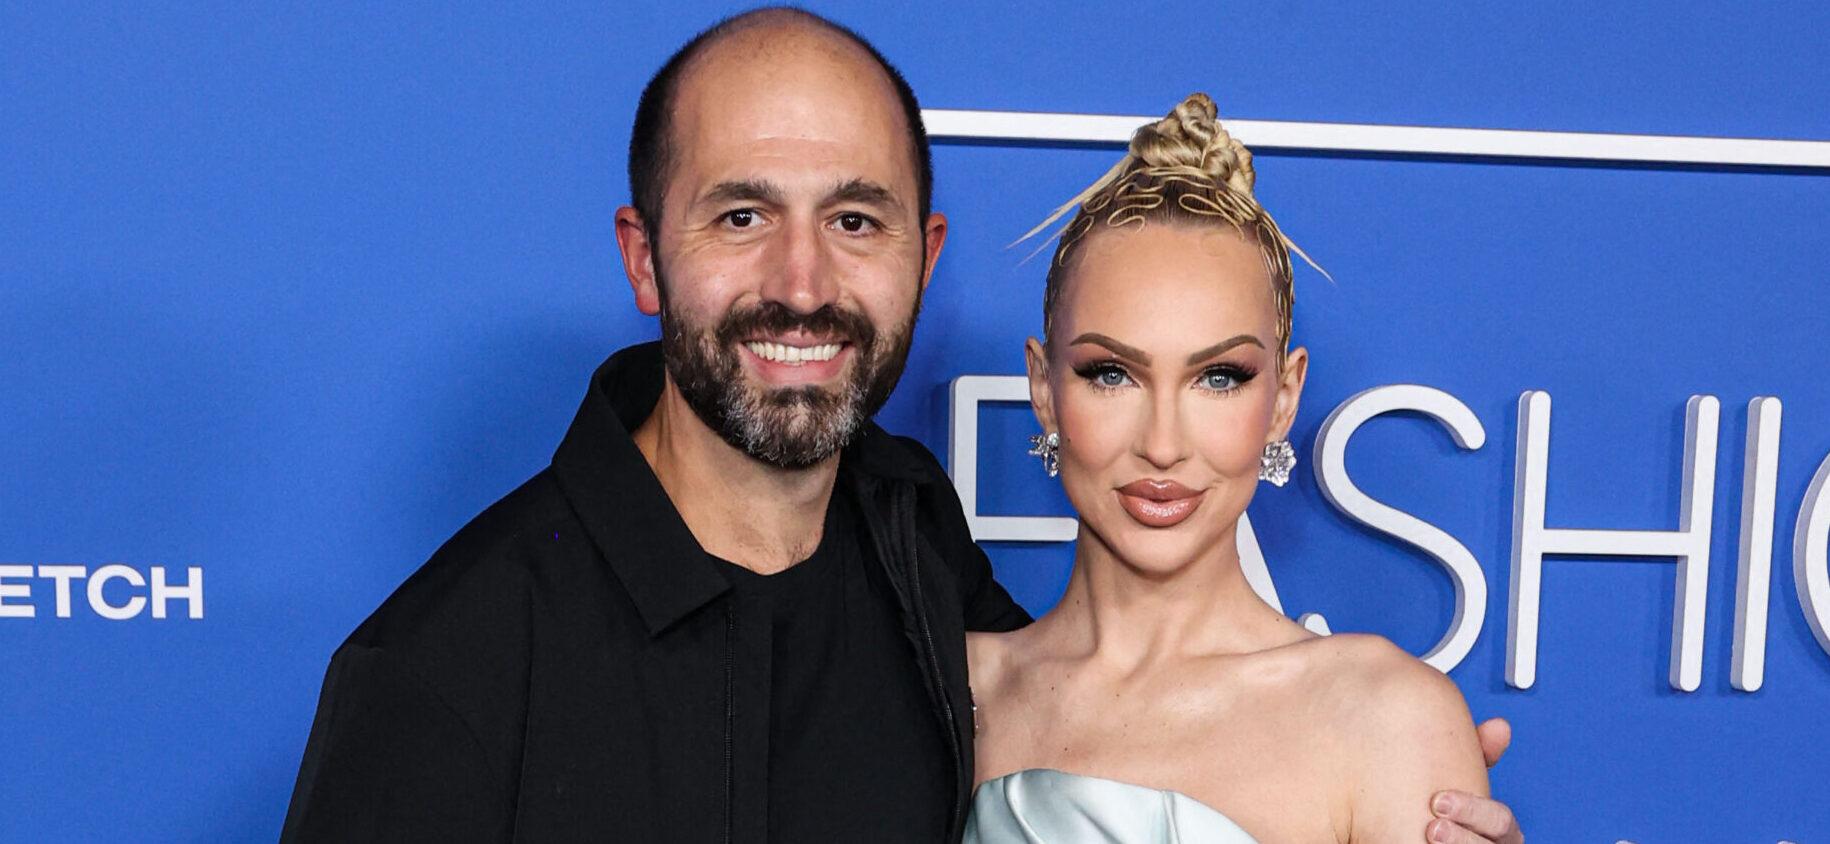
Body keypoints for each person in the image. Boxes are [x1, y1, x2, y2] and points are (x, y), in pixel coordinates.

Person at [280, 8, 1523, 843]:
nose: (806, 283)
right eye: (740, 215)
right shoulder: (443, 674)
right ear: (644, 257)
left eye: (857, 220)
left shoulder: (916, 545)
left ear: (924, 258)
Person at [964, 93, 1507, 843]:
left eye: (1219, 377)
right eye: (1111, 373)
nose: (1163, 443)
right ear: (1044, 389)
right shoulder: (958, 696)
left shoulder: (1386, 716)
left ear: (1283, 398)